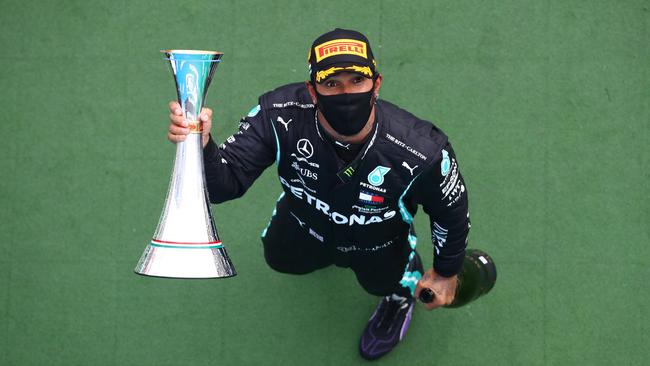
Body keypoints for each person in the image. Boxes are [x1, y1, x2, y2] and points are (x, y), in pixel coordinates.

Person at [167, 28, 474, 360]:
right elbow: (223, 185)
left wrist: (445, 271)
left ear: (377, 84)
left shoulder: (423, 150)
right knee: (281, 259)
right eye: (331, 84)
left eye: (357, 81)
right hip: (303, 223)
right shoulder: (277, 115)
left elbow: (451, 214)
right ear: (312, 91)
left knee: (384, 284)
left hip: (380, 242)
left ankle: (398, 298)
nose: (345, 93)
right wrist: (202, 149)